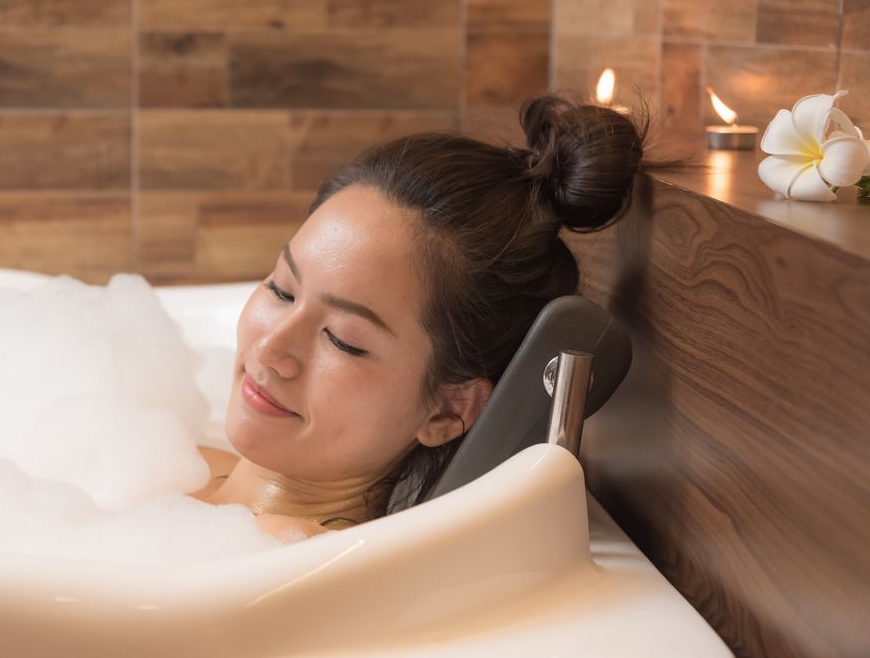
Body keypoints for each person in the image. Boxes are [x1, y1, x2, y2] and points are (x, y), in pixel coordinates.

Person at [189, 94, 646, 542]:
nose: (270, 349)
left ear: (447, 410)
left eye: (343, 340)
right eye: (282, 289)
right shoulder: (179, 469)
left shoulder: (284, 565)